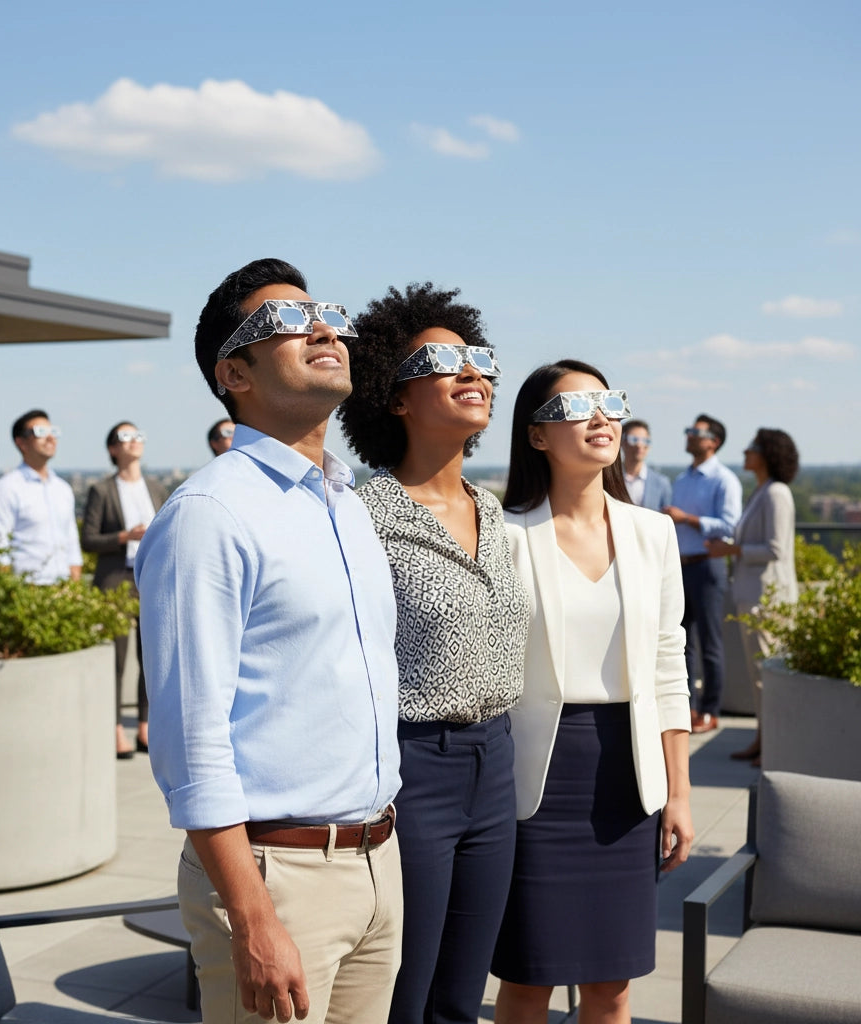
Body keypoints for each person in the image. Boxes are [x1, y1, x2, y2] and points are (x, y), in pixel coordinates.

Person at [134, 258, 403, 1024]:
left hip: (375, 859)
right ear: (235, 373)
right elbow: (191, 745)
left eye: (325, 313)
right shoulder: (211, 514)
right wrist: (252, 917)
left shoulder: (347, 502)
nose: (323, 328)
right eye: (285, 322)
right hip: (276, 876)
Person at [337, 282, 529, 1024]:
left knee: (461, 993)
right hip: (415, 766)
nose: (472, 373)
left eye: (479, 359)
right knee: (403, 991)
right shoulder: (365, 515)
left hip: (496, 756)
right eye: (444, 362)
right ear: (395, 397)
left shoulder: (490, 508)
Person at [492, 360, 693, 1024]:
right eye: (578, 407)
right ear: (537, 436)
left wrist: (680, 793)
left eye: (608, 402)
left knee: (613, 988)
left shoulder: (652, 533)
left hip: (626, 777)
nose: (602, 417)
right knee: (527, 981)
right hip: (537, 779)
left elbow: (668, 667)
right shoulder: (502, 533)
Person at [705, 428, 799, 765]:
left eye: (753, 447)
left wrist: (732, 549)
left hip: (767, 599)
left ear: (768, 453)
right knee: (759, 676)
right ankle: (763, 741)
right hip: (753, 596)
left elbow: (775, 549)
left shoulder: (776, 494)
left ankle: (772, 746)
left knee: (767, 678)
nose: (745, 451)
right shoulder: (761, 491)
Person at [81, 422, 168, 759]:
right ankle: (116, 728)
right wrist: (124, 536)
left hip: (150, 580)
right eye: (125, 437)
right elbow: (88, 539)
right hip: (115, 581)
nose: (134, 441)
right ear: (112, 449)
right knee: (116, 660)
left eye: (138, 435)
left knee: (151, 657)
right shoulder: (101, 490)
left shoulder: (157, 487)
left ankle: (145, 726)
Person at [663, 414, 742, 734]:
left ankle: (710, 711)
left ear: (714, 442)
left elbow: (730, 525)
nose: (689, 436)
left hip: (707, 566)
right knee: (682, 643)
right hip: (680, 567)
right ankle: (689, 707)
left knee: (710, 643)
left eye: (696, 432)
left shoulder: (724, 480)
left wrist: (688, 519)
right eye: (689, 430)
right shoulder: (682, 479)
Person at [0, 409, 82, 584]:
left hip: (64, 590)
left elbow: (71, 540)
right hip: (26, 591)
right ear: (21, 443)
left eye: (53, 432)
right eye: (41, 432)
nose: (50, 438)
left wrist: (74, 584)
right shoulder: (6, 488)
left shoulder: (63, 489)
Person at [621, 419, 671, 511]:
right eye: (634, 439)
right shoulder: (607, 479)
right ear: (621, 442)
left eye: (645, 440)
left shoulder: (661, 483)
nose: (640, 445)